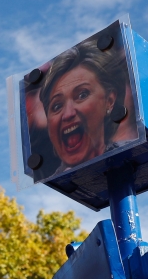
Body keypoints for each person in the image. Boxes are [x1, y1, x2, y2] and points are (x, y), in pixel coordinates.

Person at [35, 39, 135, 178]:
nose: (67, 114)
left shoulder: (130, 151)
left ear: (109, 100)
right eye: (57, 106)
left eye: (82, 94)